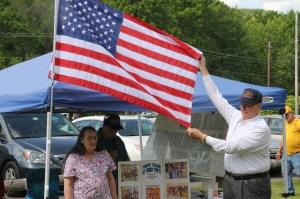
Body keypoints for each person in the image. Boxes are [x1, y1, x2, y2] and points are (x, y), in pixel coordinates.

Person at [186, 56, 271, 199]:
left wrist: (203, 137)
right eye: (242, 103)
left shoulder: (260, 128)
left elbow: (231, 147)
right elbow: (216, 96)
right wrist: (203, 69)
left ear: (259, 106)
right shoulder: (236, 115)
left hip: (253, 183)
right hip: (231, 179)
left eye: (249, 105)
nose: (244, 107)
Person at [64, 126, 117, 199]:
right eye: (89, 138)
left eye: (95, 138)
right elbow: (68, 185)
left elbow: (110, 179)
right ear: (82, 140)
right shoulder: (73, 158)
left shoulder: (104, 154)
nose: (93, 141)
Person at [97, 114, 130, 188]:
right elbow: (87, 162)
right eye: (110, 130)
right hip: (102, 184)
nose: (113, 133)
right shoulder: (94, 140)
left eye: (116, 131)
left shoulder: (118, 140)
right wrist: (106, 156)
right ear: (104, 127)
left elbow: (126, 159)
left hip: (119, 183)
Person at [276, 106, 300, 196]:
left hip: (297, 153)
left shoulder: (298, 123)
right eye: (284, 115)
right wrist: (279, 151)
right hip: (286, 154)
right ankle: (290, 191)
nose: (285, 117)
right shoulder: (285, 124)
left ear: (291, 113)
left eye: (287, 114)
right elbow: (283, 138)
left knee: (299, 173)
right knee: (285, 173)